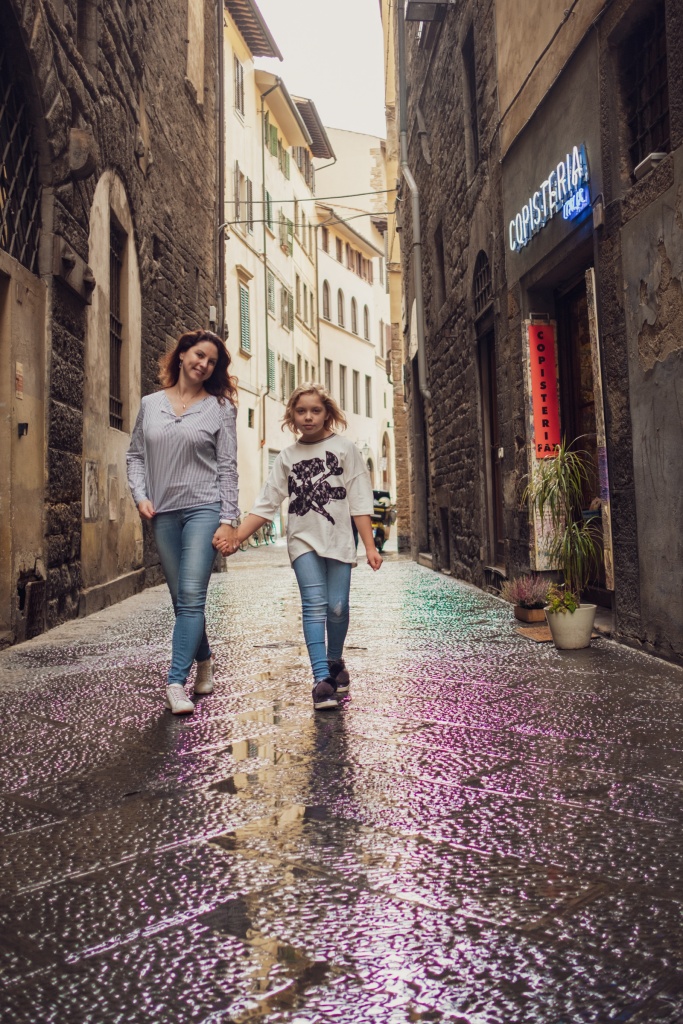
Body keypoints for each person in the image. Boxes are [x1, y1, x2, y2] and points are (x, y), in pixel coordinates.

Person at [218, 382, 382, 711]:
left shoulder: (345, 449)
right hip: (302, 540)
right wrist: (237, 536)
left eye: (315, 411)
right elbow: (266, 504)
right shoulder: (288, 457)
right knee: (314, 604)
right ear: (292, 415)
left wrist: (370, 546)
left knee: (338, 608)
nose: (308, 417)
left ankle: (334, 661)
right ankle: (321, 680)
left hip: (339, 540)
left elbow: (360, 501)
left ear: (327, 413)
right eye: (301, 411)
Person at [126, 329, 240, 715]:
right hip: (163, 513)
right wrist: (140, 495)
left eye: (211, 361)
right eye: (198, 355)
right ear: (181, 355)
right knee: (181, 600)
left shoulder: (221, 408)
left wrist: (228, 519)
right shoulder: (150, 404)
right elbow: (135, 456)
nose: (203, 364)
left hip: (204, 509)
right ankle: (204, 659)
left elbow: (227, 467)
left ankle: (176, 682)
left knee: (192, 597)